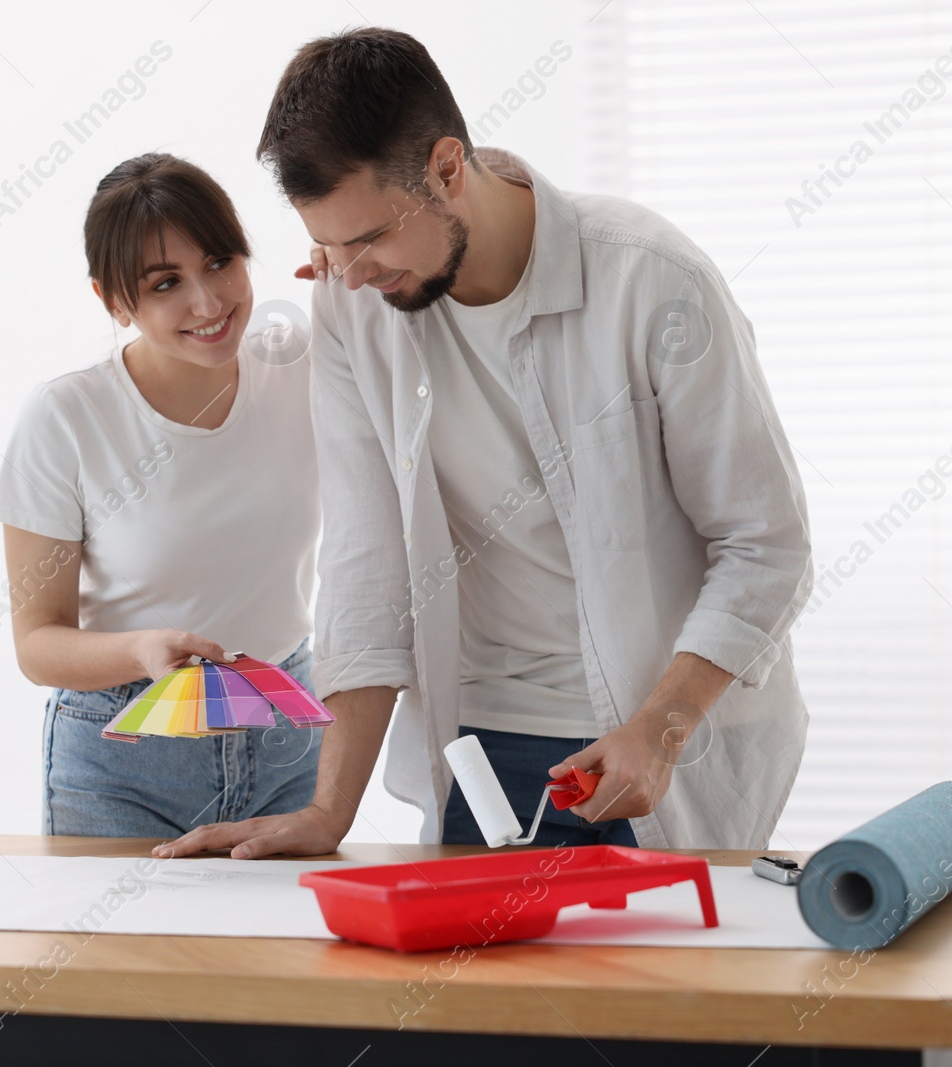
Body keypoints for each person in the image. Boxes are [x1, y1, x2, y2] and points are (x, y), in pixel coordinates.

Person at [155, 28, 811, 861]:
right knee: (481, 990)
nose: (347, 272)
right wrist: (329, 812)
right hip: (485, 745)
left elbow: (766, 545)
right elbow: (364, 561)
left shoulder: (654, 282)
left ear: (447, 169)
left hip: (664, 739)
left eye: (366, 240)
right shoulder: (355, 304)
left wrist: (660, 729)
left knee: (651, 987)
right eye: (329, 243)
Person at [0, 152, 322, 838]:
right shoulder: (66, 416)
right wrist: (141, 650)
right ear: (113, 302)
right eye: (166, 282)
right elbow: (37, 643)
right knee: (129, 950)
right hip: (124, 755)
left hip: (287, 731)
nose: (209, 302)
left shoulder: (298, 362)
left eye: (221, 261)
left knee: (283, 948)